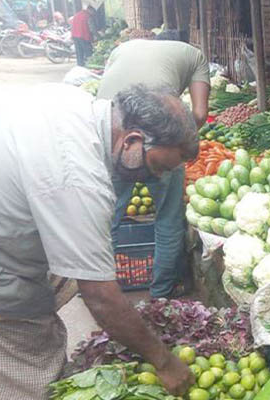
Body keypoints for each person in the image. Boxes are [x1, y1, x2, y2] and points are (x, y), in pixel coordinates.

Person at [0, 84, 197, 399]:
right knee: (25, 366)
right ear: (133, 140)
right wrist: (164, 362)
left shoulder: (81, 106)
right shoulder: (78, 177)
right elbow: (100, 296)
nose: (158, 179)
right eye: (157, 167)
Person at [97, 35, 210, 299]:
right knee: (168, 216)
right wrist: (176, 145)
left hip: (111, 136)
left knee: (107, 215)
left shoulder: (121, 49)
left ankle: (99, 285)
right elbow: (200, 114)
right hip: (157, 137)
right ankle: (161, 293)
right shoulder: (196, 57)